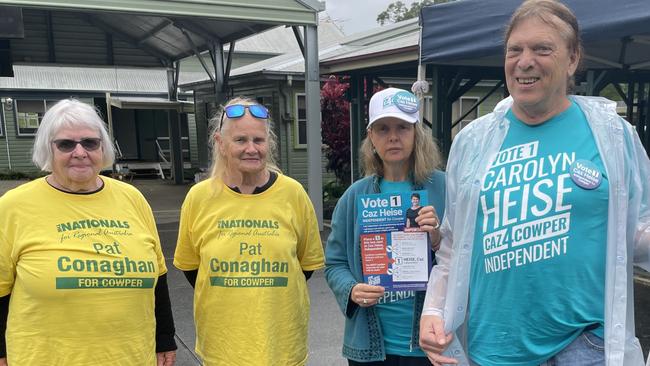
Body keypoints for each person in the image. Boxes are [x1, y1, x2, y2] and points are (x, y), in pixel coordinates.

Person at [419, 1, 650, 365]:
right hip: (496, 345)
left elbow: (638, 231)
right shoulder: (474, 141)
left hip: (586, 345)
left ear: (572, 58)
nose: (524, 62)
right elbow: (454, 242)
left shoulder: (612, 135)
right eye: (515, 50)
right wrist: (433, 309)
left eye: (542, 49)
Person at [0, 99, 177, 365]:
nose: (80, 152)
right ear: (48, 149)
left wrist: (164, 337)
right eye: (66, 144)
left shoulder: (132, 198)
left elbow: (159, 276)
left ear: (102, 147)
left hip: (131, 356)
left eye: (90, 142)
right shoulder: (14, 206)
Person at [173, 97, 325, 366]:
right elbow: (192, 269)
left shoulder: (293, 194)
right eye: (240, 140)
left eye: (259, 140)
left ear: (270, 143)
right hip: (223, 348)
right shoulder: (199, 197)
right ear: (220, 143)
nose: (251, 149)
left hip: (282, 346)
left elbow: (305, 267)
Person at [325, 87, 445, 365]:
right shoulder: (356, 196)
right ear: (371, 137)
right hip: (370, 347)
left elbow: (466, 260)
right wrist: (352, 290)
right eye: (382, 128)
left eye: (402, 127)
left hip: (430, 343)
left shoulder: (444, 187)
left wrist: (438, 238)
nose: (393, 136)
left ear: (417, 132)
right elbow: (334, 264)